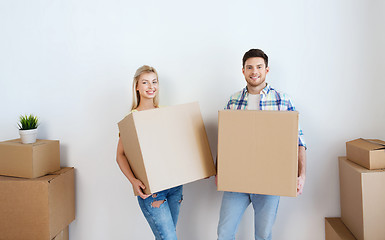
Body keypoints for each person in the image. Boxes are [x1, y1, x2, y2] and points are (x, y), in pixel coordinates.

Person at [217, 49, 307, 240]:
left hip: (270, 181)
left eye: (259, 67)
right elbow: (225, 140)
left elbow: (298, 141)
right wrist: (220, 171)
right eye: (249, 67)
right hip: (237, 180)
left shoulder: (283, 100)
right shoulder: (233, 100)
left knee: (263, 235)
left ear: (267, 70)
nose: (254, 71)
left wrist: (302, 174)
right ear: (243, 71)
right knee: (224, 233)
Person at [116, 65, 183, 240]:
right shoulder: (131, 119)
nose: (151, 86)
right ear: (137, 87)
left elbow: (177, 146)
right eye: (145, 82)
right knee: (168, 238)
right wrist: (133, 181)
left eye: (154, 82)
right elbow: (120, 155)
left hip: (175, 186)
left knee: (166, 237)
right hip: (152, 190)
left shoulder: (166, 113)